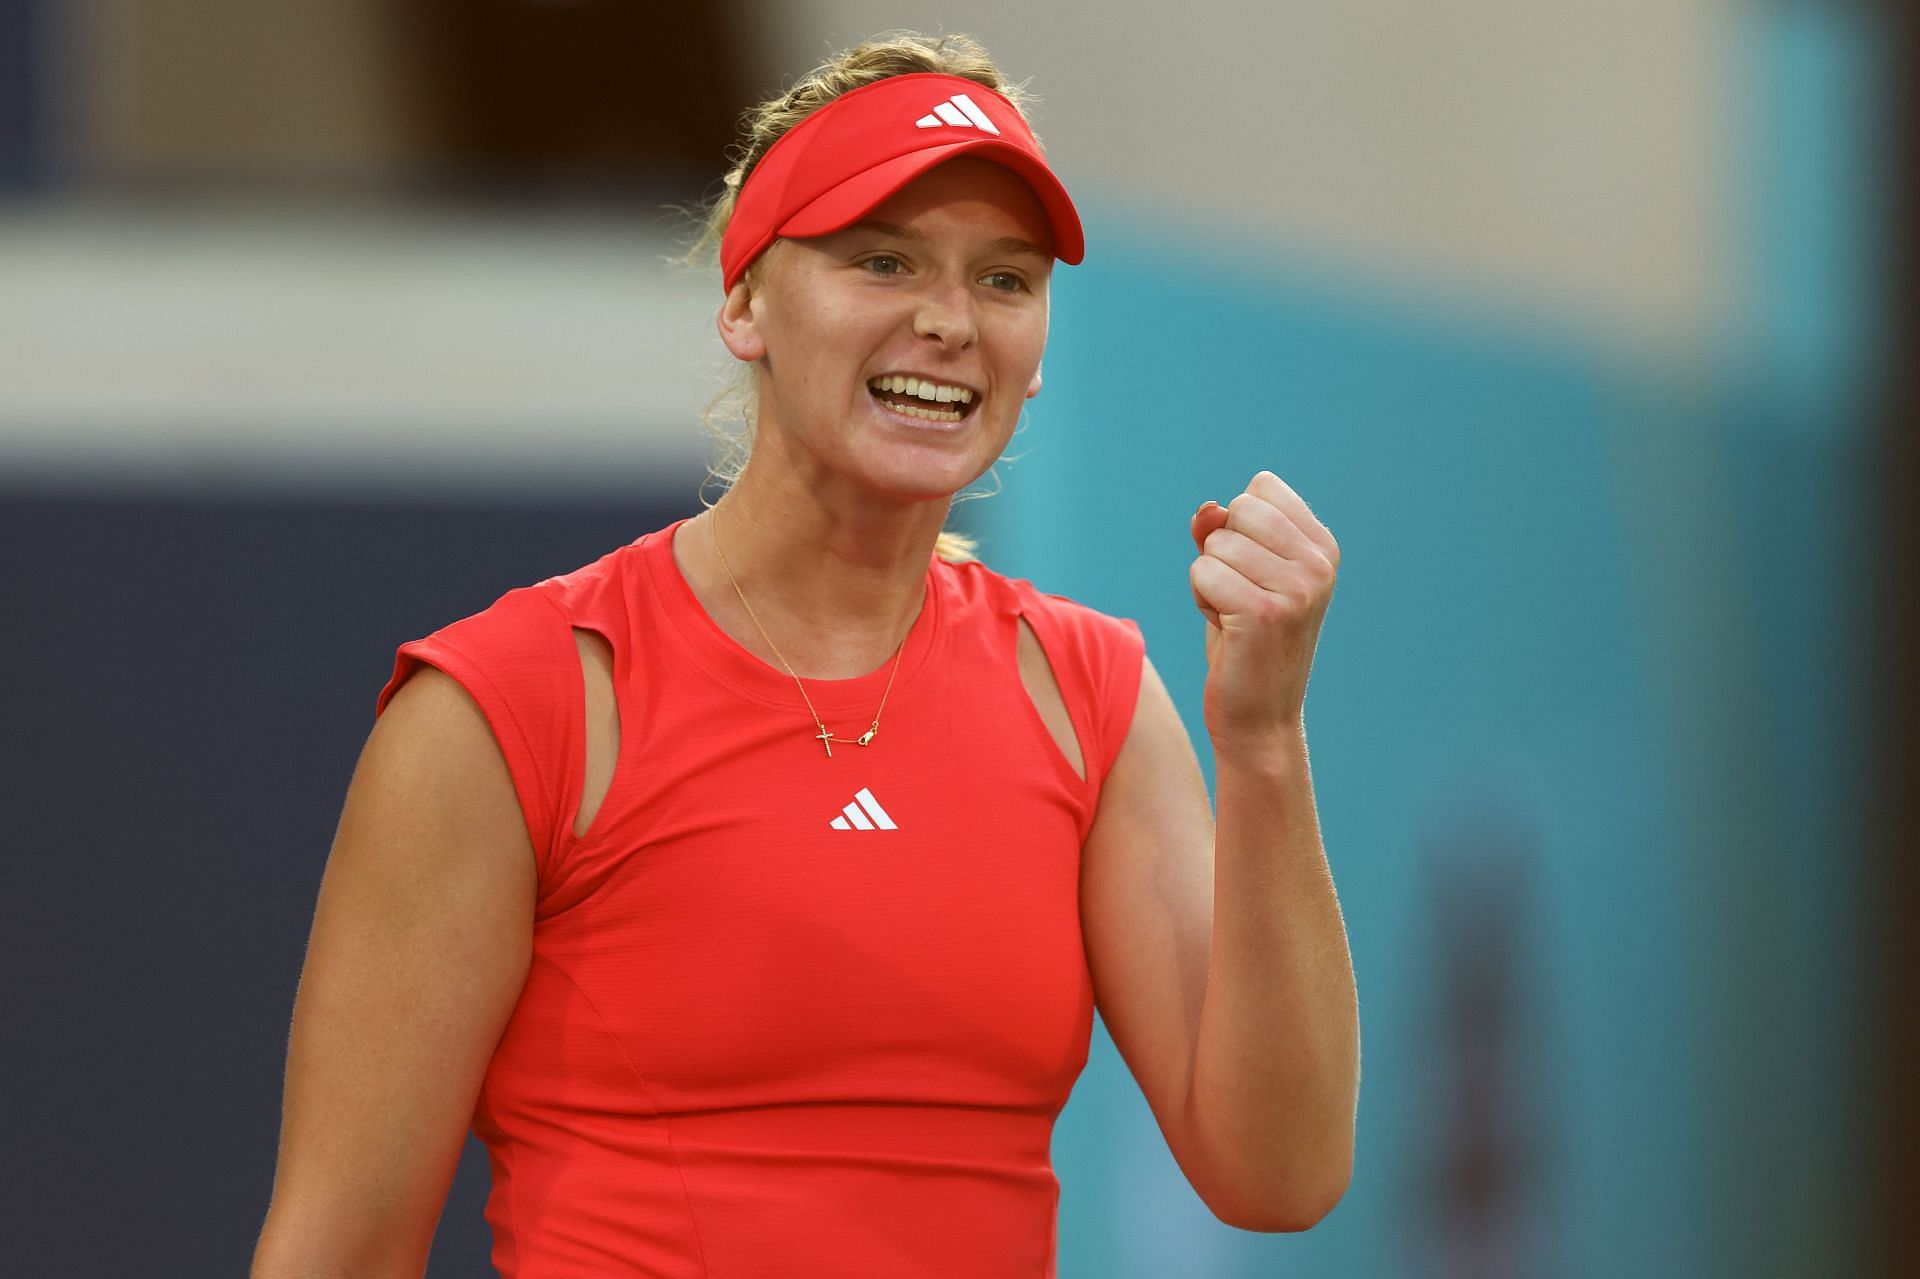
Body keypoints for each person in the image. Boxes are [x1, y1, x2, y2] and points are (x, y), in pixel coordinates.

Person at [252, 31, 1358, 1279]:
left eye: (1005, 280)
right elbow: (338, 1249)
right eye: (882, 261)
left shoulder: (1087, 690)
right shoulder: (518, 702)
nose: (948, 321)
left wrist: (1262, 739)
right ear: (744, 303)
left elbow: (1280, 1172)